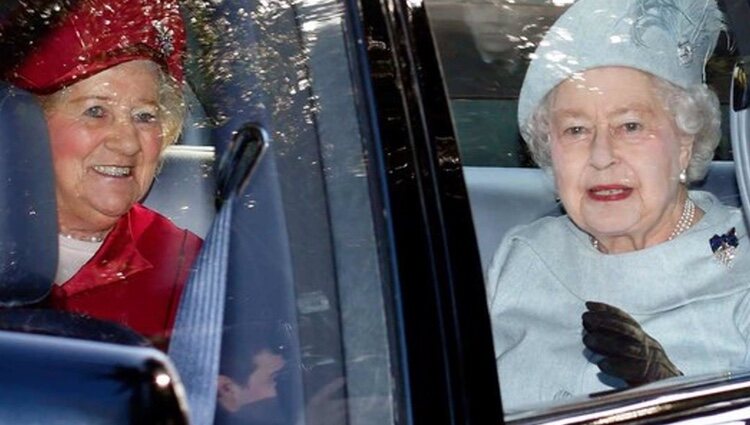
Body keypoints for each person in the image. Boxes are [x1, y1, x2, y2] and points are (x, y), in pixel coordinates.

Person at [485, 0, 749, 410]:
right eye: (576, 129)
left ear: (684, 142)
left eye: (630, 126)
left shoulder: (744, 266)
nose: (601, 155)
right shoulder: (523, 254)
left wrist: (674, 399)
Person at [5, 0, 202, 350]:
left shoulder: (193, 273)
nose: (127, 144)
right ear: (26, 127)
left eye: (144, 116)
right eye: (96, 111)